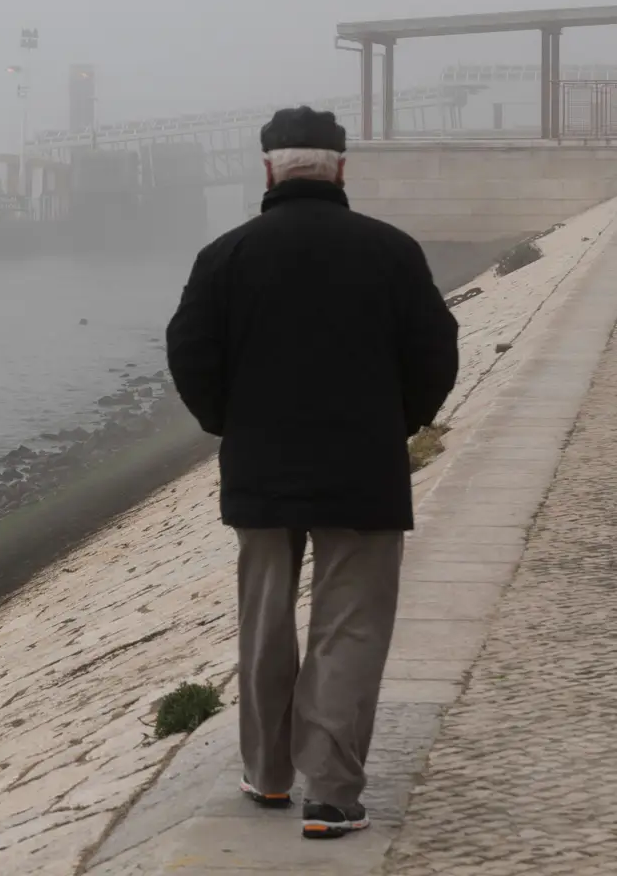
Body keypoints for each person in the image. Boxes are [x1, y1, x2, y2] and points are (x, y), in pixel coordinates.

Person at [164, 106, 459, 840]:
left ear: (268, 170)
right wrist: (399, 422)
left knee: (264, 623)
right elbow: (436, 352)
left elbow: (190, 354)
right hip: (364, 468)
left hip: (261, 466)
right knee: (350, 627)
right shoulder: (391, 251)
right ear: (341, 168)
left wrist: (231, 423)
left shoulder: (225, 255)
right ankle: (330, 794)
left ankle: (267, 774)